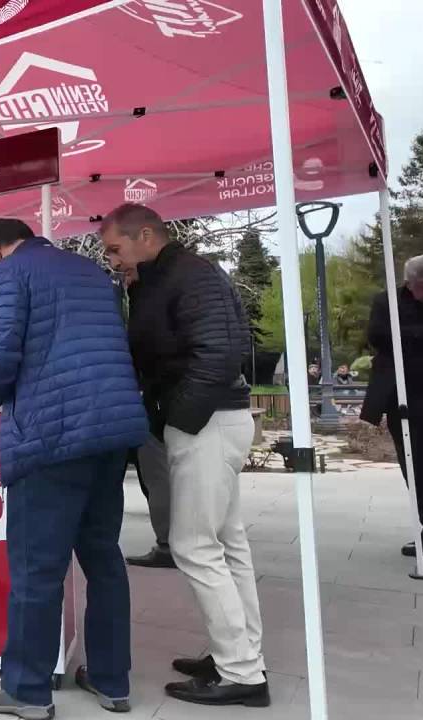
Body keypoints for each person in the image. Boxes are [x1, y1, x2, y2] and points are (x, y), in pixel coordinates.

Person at [0, 219, 147, 717]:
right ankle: (112, 681)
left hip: (50, 434)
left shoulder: (9, 274)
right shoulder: (91, 272)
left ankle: (25, 689)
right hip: (109, 432)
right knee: (103, 558)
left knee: (35, 568)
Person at [100, 203, 268, 707]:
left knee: (194, 544)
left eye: (115, 248)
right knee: (227, 544)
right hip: (210, 419)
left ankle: (241, 671)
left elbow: (220, 350)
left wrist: (179, 420)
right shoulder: (161, 277)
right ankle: (237, 655)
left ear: (145, 235)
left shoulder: (190, 274)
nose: (111, 259)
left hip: (206, 421)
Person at [362, 252, 423, 558]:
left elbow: (396, 337)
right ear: (409, 283)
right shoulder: (386, 302)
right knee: (416, 466)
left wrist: (407, 336)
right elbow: (377, 336)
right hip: (404, 399)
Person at [121, 267, 175, 569]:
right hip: (155, 398)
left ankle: (168, 544)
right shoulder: (159, 299)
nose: (122, 275)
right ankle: (171, 541)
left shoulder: (147, 304)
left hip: (151, 401)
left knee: (158, 477)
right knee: (158, 477)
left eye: (128, 271)